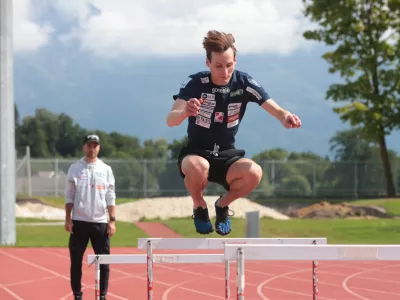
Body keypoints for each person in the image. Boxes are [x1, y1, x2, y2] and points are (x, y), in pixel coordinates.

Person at [166, 30, 301, 236]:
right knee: (198, 166)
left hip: (226, 155)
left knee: (254, 172)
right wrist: (185, 112)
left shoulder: (244, 82)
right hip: (196, 153)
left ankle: (222, 205)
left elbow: (272, 106)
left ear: (235, 61)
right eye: (218, 66)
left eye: (229, 65)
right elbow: (170, 119)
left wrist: (285, 117)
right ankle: (199, 205)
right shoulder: (195, 83)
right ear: (208, 63)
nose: (225, 72)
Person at [64, 133, 117, 300]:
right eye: (89, 145)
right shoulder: (75, 168)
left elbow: (111, 196)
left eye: (95, 145)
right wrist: (68, 218)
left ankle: (102, 295)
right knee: (76, 262)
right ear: (84, 147)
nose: (92, 148)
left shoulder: (106, 169)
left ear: (99, 147)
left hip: (100, 222)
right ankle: (77, 295)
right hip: (79, 221)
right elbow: (69, 195)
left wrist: (112, 220)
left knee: (104, 262)